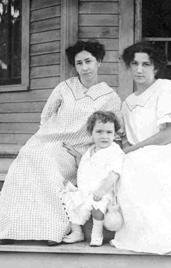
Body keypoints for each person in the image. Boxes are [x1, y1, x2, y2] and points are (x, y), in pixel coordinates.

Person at [0, 40, 121, 245]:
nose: (84, 67)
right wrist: (48, 138)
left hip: (78, 148)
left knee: (46, 162)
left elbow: (113, 130)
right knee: (27, 157)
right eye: (79, 63)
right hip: (48, 140)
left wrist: (86, 151)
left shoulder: (110, 97)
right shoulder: (64, 87)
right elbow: (46, 116)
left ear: (99, 62)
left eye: (89, 61)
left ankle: (51, 230)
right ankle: (10, 228)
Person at [112, 41, 171, 254]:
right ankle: (141, 233)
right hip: (143, 154)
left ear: (155, 68)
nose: (139, 69)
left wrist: (133, 151)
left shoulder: (166, 88)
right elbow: (128, 139)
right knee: (127, 163)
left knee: (138, 163)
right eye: (134, 63)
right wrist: (127, 149)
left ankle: (165, 236)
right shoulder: (127, 103)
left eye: (146, 64)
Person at [61, 111, 124, 246]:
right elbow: (85, 167)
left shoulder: (115, 151)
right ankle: (77, 232)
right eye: (99, 131)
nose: (104, 136)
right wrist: (78, 157)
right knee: (72, 203)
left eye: (109, 132)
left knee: (98, 207)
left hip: (103, 191)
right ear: (91, 133)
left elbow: (115, 173)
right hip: (85, 190)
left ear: (115, 134)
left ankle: (97, 233)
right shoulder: (90, 151)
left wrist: (102, 190)